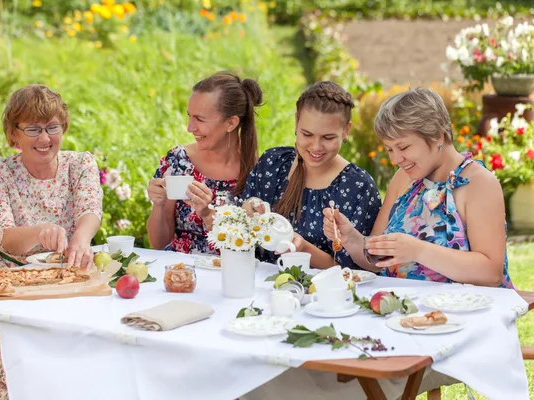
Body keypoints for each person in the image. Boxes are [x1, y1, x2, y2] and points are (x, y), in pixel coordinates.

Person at [0, 84, 104, 399]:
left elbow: (89, 209)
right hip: (11, 293)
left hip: (70, 287)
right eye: (33, 129)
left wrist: (80, 239)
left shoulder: (80, 164)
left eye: (52, 127)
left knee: (100, 352)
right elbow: (5, 238)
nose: (45, 139)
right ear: (13, 135)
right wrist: (38, 231)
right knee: (29, 367)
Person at [324, 87, 514, 288]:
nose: (395, 159)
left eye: (403, 147)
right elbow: (377, 263)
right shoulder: (404, 179)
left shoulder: (479, 184)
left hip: (468, 313)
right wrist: (353, 239)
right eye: (389, 149)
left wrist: (418, 251)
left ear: (437, 136)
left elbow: (491, 273)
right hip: (406, 311)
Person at [241, 81, 381, 269]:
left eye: (328, 138)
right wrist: (247, 210)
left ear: (346, 131)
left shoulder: (358, 187)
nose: (316, 147)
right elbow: (241, 225)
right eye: (307, 134)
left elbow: (354, 271)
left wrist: (303, 248)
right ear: (296, 122)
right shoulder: (273, 163)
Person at [146, 71, 263, 254]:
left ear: (231, 123)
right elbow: (158, 243)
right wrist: (158, 206)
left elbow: (257, 245)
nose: (190, 127)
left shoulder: (259, 172)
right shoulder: (178, 161)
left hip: (231, 274)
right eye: (190, 116)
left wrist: (208, 214)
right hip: (182, 275)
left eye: (199, 119)